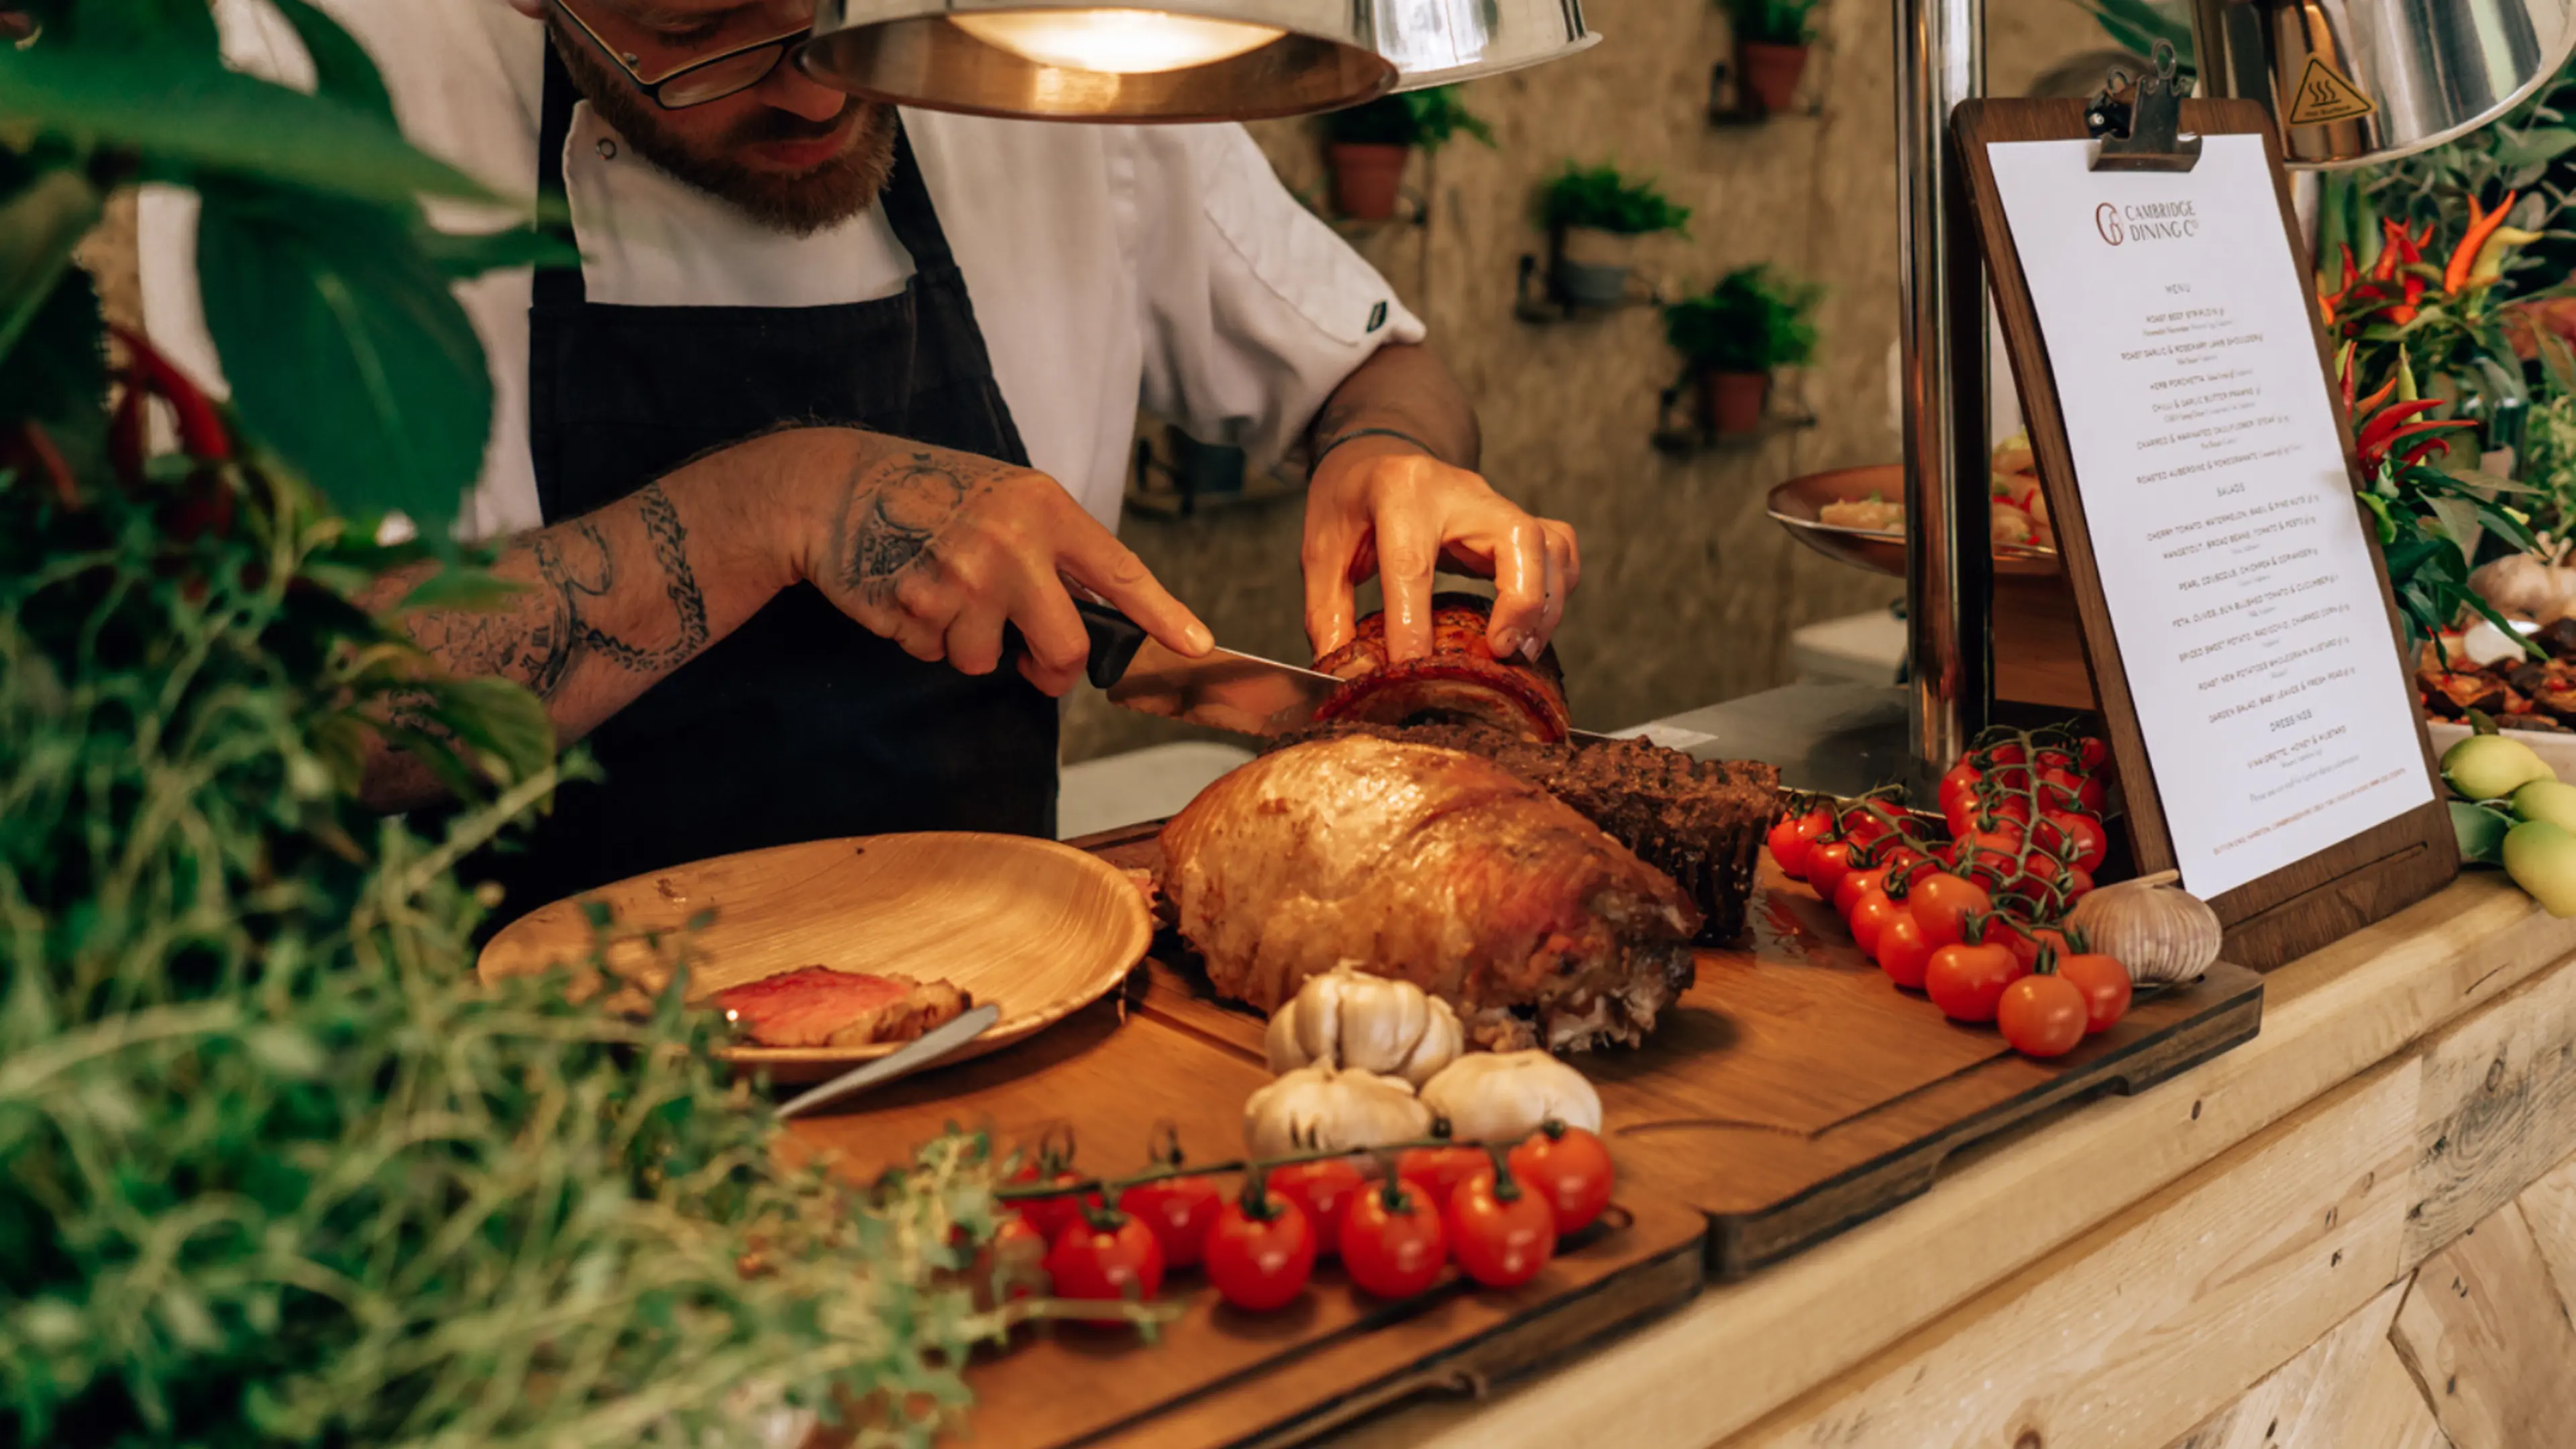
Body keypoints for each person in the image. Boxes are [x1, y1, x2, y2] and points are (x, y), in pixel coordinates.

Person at [137, 0, 1580, 914]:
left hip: (998, 1008)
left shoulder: (1051, 51)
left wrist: (1392, 452)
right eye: (709, 23)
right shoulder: (299, 84)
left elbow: (1374, 361)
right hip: (505, 1122)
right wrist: (782, 503)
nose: (823, 93)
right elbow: (289, 711)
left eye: (863, 19)